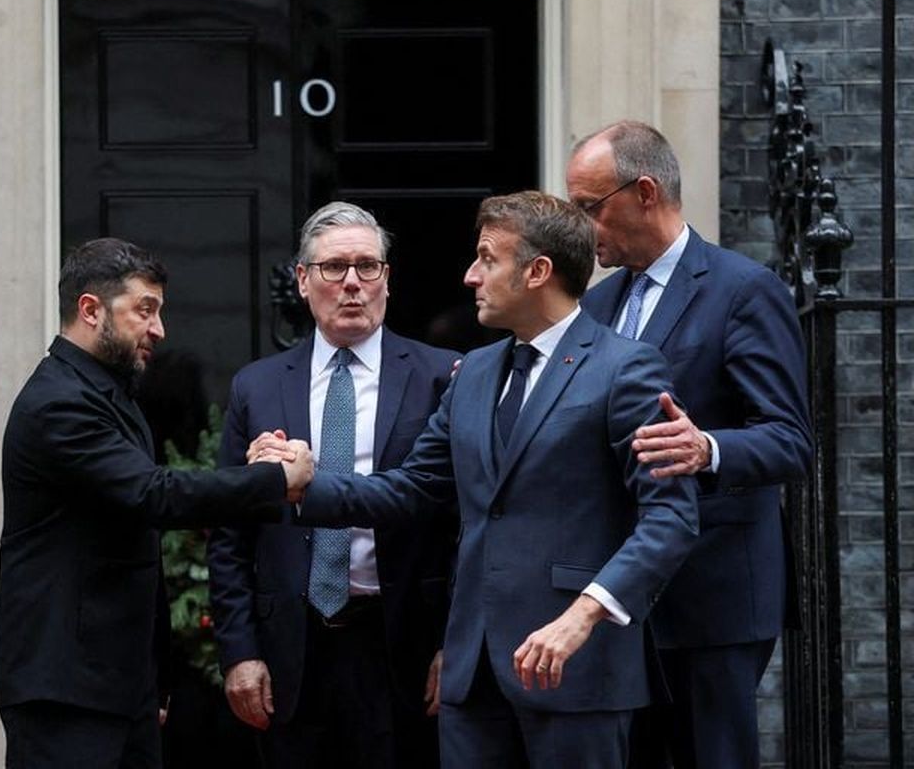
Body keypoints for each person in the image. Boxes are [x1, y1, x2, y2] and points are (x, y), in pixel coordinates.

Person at [261, 191, 700, 769]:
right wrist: (301, 484)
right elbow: (413, 488)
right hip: (475, 674)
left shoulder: (626, 368)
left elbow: (671, 517)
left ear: (537, 271)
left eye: (487, 259)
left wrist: (584, 614)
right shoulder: (473, 371)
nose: (470, 276)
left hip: (576, 665)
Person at [0, 238, 312, 769]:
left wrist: (152, 681)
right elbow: (153, 494)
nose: (159, 329)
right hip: (66, 689)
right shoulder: (59, 403)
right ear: (91, 310)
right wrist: (272, 480)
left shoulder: (106, 395)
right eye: (145, 310)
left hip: (116, 685)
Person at [567, 120, 813, 769]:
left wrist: (707, 447)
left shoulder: (742, 290)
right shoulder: (596, 307)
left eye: (589, 207)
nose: (579, 227)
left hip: (715, 595)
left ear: (645, 192)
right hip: (622, 595)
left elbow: (791, 440)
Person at [207, 202, 460, 769]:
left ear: (388, 280)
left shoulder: (441, 376)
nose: (352, 283)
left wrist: (454, 644)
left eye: (368, 267)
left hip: (402, 645)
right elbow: (230, 533)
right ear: (302, 280)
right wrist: (239, 652)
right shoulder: (259, 386)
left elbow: (463, 522)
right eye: (334, 267)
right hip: (290, 649)